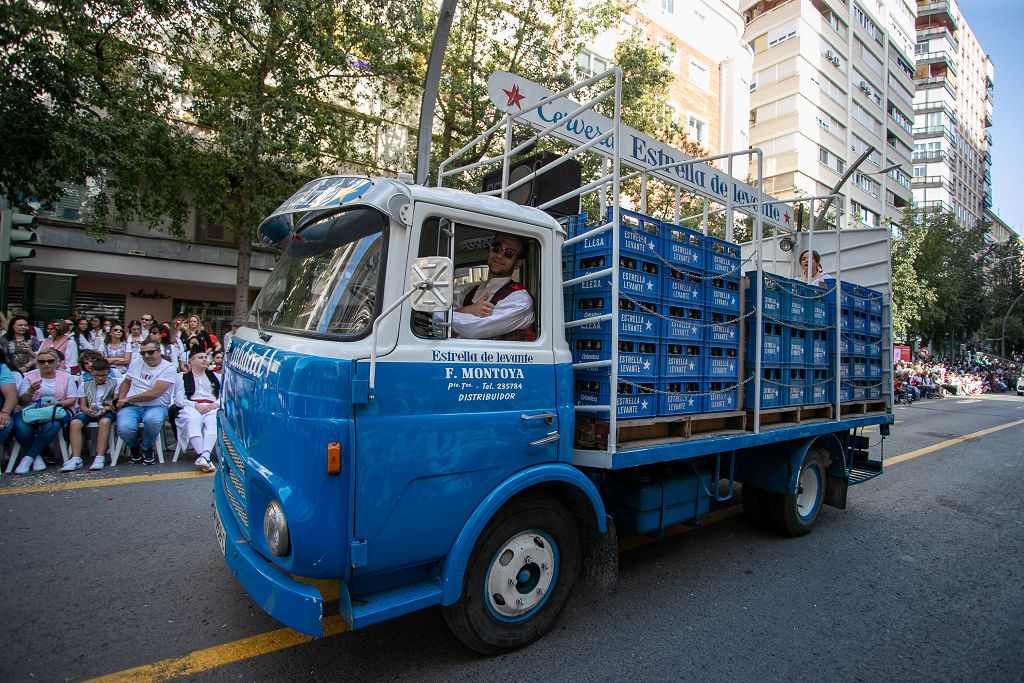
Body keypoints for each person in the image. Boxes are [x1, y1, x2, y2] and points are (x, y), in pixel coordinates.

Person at [450, 233, 536, 341]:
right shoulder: (469, 291)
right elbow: (443, 310)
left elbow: (474, 328)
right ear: (490, 250)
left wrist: (460, 312)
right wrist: (468, 310)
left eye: (509, 253)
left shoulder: (520, 300)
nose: (499, 255)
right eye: (496, 248)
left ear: (518, 263)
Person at [12, 348, 79, 474]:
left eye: (50, 361)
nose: (46, 364)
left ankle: (28, 458)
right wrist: (30, 390)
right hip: (32, 409)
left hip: (58, 409)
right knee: (20, 426)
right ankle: (36, 457)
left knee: (51, 426)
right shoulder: (29, 376)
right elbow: (22, 401)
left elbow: (72, 399)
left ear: (57, 362)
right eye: (42, 362)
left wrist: (57, 403)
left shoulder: (66, 377)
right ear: (37, 363)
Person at [115, 339, 176, 465]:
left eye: (150, 352)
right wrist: (121, 399)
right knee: (125, 428)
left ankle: (147, 447)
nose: (146, 356)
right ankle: (134, 447)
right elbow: (126, 382)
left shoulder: (169, 368)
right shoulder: (136, 363)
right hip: (132, 406)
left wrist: (128, 399)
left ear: (159, 351)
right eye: (143, 353)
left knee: (153, 421)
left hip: (156, 405)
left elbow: (154, 393)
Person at [63, 357, 117, 471]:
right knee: (75, 423)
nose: (100, 378)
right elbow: (82, 406)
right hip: (90, 409)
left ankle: (100, 456)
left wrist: (105, 409)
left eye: (103, 375)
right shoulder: (85, 385)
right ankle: (76, 458)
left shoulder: (115, 383)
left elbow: (115, 403)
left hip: (108, 410)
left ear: (108, 373)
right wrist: (88, 411)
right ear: (92, 373)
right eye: (97, 375)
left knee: (104, 422)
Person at [176, 348, 221, 472]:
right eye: (200, 357)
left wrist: (216, 404)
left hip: (212, 406)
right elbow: (179, 400)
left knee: (213, 420)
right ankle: (204, 457)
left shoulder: (215, 376)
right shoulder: (182, 377)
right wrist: (195, 405)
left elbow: (223, 395)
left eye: (206, 357)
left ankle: (204, 456)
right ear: (191, 361)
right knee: (192, 420)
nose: (204, 360)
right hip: (192, 407)